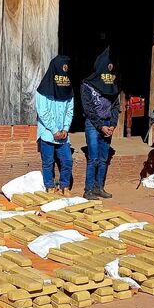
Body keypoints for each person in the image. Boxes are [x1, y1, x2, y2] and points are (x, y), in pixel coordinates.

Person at [80, 47, 121, 200]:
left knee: (104, 159)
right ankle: (88, 190)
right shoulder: (87, 85)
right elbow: (88, 109)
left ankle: (99, 187)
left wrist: (112, 124)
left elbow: (116, 106)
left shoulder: (112, 85)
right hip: (93, 125)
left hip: (107, 124)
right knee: (94, 158)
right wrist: (100, 126)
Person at [35, 55, 74, 196]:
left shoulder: (68, 89)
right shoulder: (43, 90)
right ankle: (50, 187)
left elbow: (70, 110)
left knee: (68, 161)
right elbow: (43, 111)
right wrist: (54, 129)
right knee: (48, 162)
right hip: (47, 133)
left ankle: (65, 186)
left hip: (63, 135)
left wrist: (65, 128)